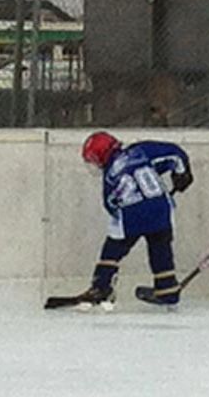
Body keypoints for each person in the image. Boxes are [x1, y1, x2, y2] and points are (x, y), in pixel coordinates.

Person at [71, 131, 193, 308]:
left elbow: (111, 203)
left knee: (112, 250)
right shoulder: (141, 150)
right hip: (161, 208)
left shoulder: (111, 175)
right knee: (160, 248)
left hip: (132, 215)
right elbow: (175, 153)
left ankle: (101, 287)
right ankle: (167, 290)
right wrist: (182, 174)